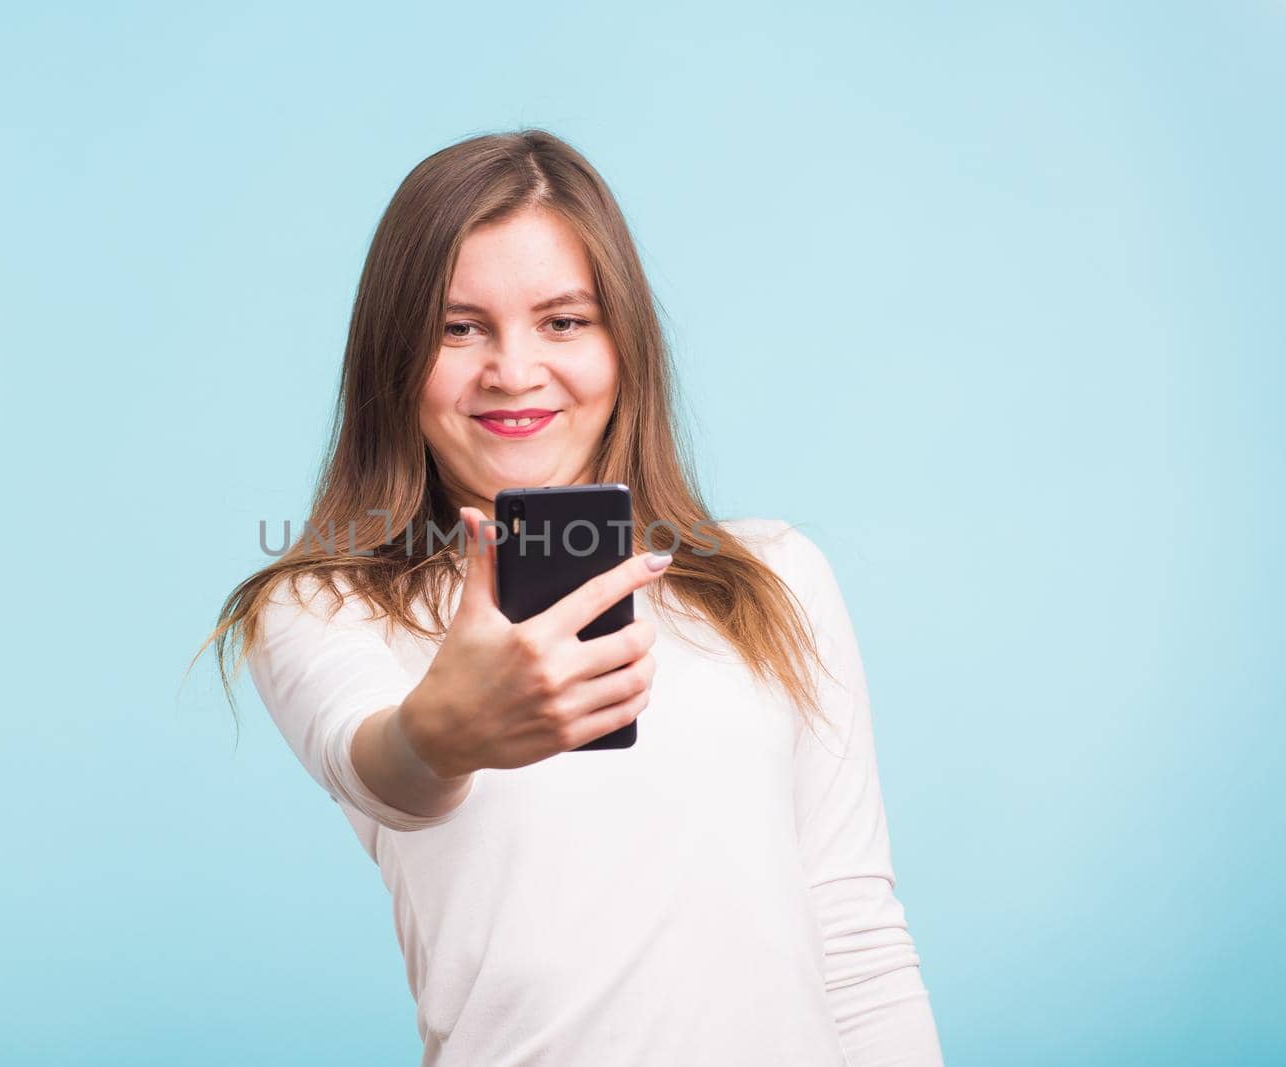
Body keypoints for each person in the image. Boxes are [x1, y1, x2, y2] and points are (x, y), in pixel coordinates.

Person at [197, 129, 944, 1065]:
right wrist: (441, 735)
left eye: (562, 321)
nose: (513, 370)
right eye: (458, 327)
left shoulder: (775, 577)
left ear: (622, 344)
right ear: (395, 358)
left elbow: (857, 934)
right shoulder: (325, 603)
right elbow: (378, 766)